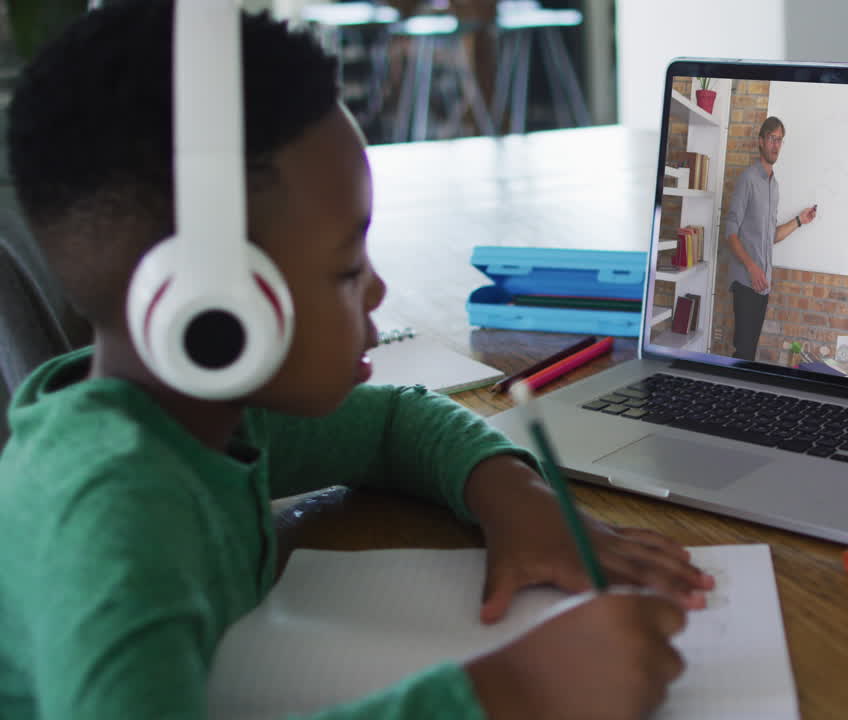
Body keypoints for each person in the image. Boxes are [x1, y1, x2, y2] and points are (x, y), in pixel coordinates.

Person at [0, 3, 712, 719]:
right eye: (345, 269)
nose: (376, 288)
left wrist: (517, 501)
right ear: (214, 312)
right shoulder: (113, 524)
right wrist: (510, 694)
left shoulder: (203, 418)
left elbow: (392, 422)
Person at [723, 116, 818, 361]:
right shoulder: (748, 179)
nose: (776, 145)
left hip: (763, 285)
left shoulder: (774, 186)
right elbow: (730, 232)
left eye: (780, 140)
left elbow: (770, 236)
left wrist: (800, 221)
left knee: (750, 353)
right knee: (742, 352)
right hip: (746, 281)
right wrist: (752, 267)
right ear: (761, 142)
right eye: (772, 139)